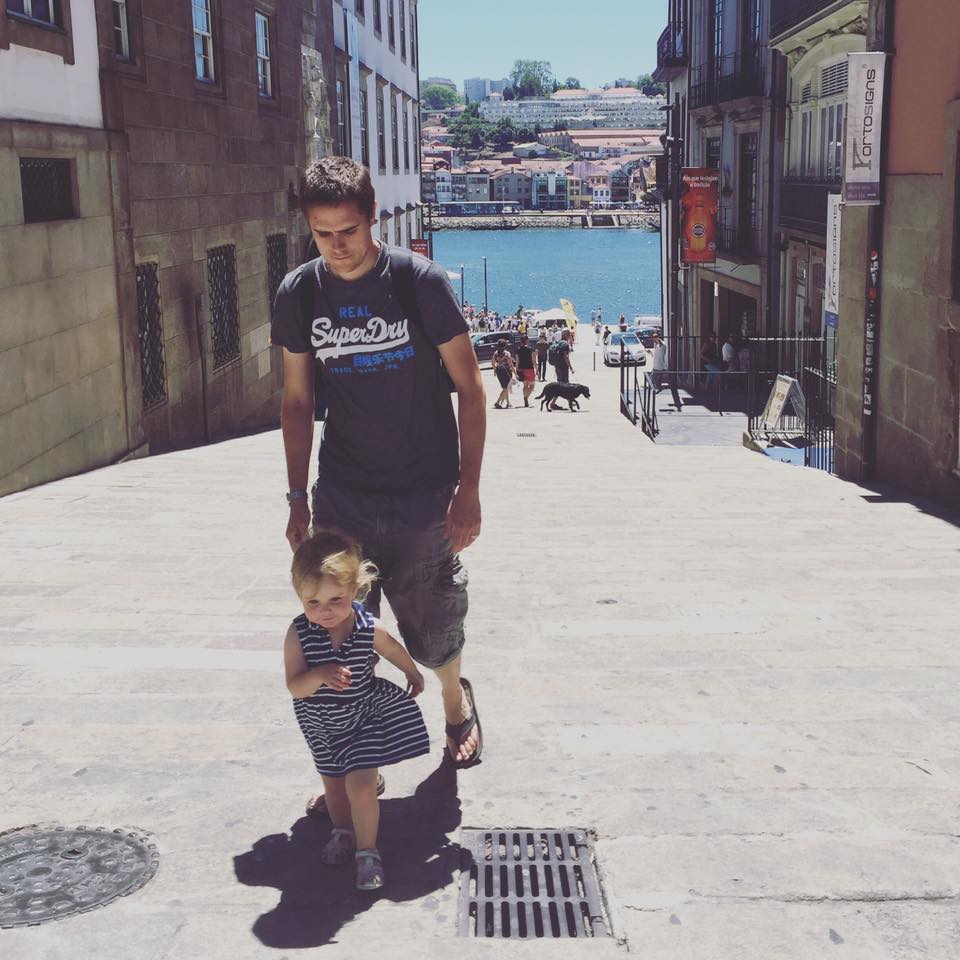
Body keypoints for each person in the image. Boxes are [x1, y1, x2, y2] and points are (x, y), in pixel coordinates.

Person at [271, 157, 486, 818]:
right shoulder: (300, 294)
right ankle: (360, 764)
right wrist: (298, 497)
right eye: (323, 232)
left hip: (423, 492)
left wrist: (468, 491)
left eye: (348, 230)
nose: (337, 245)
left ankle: (455, 701)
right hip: (344, 494)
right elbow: (297, 400)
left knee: (429, 629)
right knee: (342, 630)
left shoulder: (416, 282)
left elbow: (471, 389)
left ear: (372, 218)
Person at [284, 530, 430, 891]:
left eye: (336, 599)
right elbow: (295, 686)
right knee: (334, 787)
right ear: (300, 598)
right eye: (312, 602)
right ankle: (344, 830)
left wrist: (411, 671)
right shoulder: (298, 634)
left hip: (363, 716)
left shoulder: (367, 627)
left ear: (354, 590)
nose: (325, 611)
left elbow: (392, 648)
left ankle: (368, 852)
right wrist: (317, 674)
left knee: (360, 786)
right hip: (320, 724)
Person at [491, 337, 516, 409]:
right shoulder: (507, 354)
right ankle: (497, 402)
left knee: (505, 388)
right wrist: (515, 374)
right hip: (506, 372)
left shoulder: (495, 353)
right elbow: (511, 365)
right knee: (506, 388)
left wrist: (495, 369)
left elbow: (492, 363)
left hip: (499, 372)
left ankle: (508, 403)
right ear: (505, 345)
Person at [515, 333, 536, 407]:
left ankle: (525, 397)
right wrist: (537, 369)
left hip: (521, 369)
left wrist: (516, 371)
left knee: (525, 385)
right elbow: (534, 361)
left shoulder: (518, 349)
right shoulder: (530, 349)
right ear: (527, 341)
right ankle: (526, 397)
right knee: (532, 385)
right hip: (530, 368)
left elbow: (517, 361)